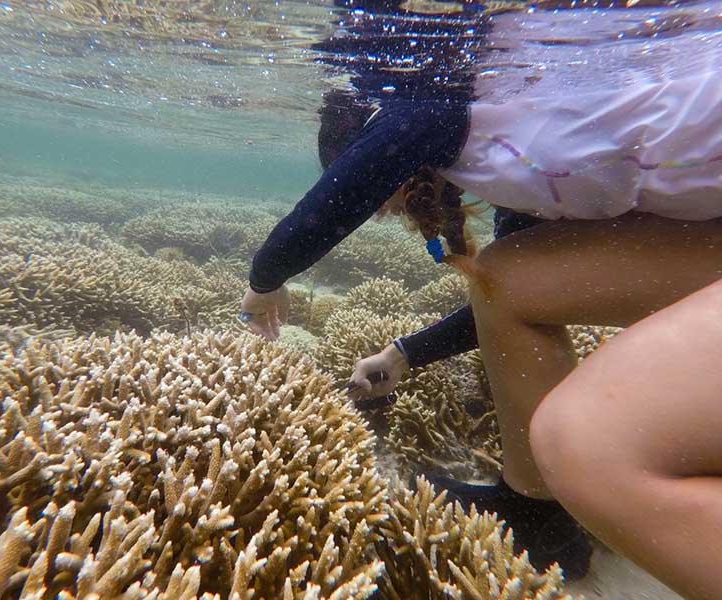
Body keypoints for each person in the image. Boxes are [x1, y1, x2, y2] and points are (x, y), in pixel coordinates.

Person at [239, 0, 722, 593]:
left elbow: (328, 207)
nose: (387, 210)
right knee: (510, 277)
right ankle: (540, 512)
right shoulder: (517, 159)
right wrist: (403, 354)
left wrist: (265, 282)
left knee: (586, 442)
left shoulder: (434, 107)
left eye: (382, 192)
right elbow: (505, 300)